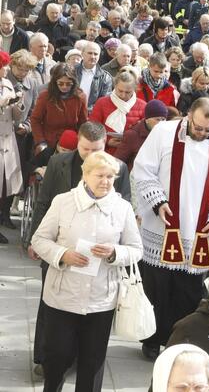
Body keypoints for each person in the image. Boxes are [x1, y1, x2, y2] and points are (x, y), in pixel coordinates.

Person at [132, 97, 209, 360]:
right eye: (198, 127)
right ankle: (151, 340)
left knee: (188, 290)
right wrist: (158, 202)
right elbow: (143, 170)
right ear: (189, 115)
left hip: (199, 230)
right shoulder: (163, 132)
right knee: (157, 285)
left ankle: (178, 341)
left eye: (207, 130)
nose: (202, 133)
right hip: (164, 222)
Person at [31, 151, 142, 392]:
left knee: (92, 365)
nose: (106, 181)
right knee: (56, 359)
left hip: (101, 301)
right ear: (85, 174)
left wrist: (114, 253)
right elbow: (39, 240)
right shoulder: (63, 202)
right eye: (100, 175)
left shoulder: (122, 208)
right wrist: (63, 255)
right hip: (62, 298)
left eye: (111, 176)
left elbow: (136, 249)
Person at [30, 62, 88, 154]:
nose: (64, 87)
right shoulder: (45, 96)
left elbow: (83, 123)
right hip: (48, 142)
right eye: (60, 83)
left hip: (70, 143)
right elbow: (35, 120)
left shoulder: (80, 97)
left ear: (74, 82)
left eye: (68, 84)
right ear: (54, 82)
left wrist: (81, 142)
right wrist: (40, 141)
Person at [90, 70, 147, 155]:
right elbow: (92, 129)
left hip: (131, 156)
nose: (123, 95)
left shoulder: (143, 106)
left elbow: (146, 134)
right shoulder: (101, 103)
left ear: (135, 89)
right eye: (120, 91)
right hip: (104, 153)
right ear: (115, 86)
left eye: (128, 92)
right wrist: (107, 141)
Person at [0, 50, 22, 242]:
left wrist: (18, 105)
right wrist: (3, 102)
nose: (7, 69)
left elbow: (16, 117)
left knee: (6, 183)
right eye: (4, 66)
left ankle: (4, 217)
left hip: (7, 140)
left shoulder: (7, 84)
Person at [114, 99, 168, 170]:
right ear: (147, 120)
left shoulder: (166, 134)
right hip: (135, 177)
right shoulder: (132, 135)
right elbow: (118, 161)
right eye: (157, 119)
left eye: (163, 119)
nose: (161, 123)